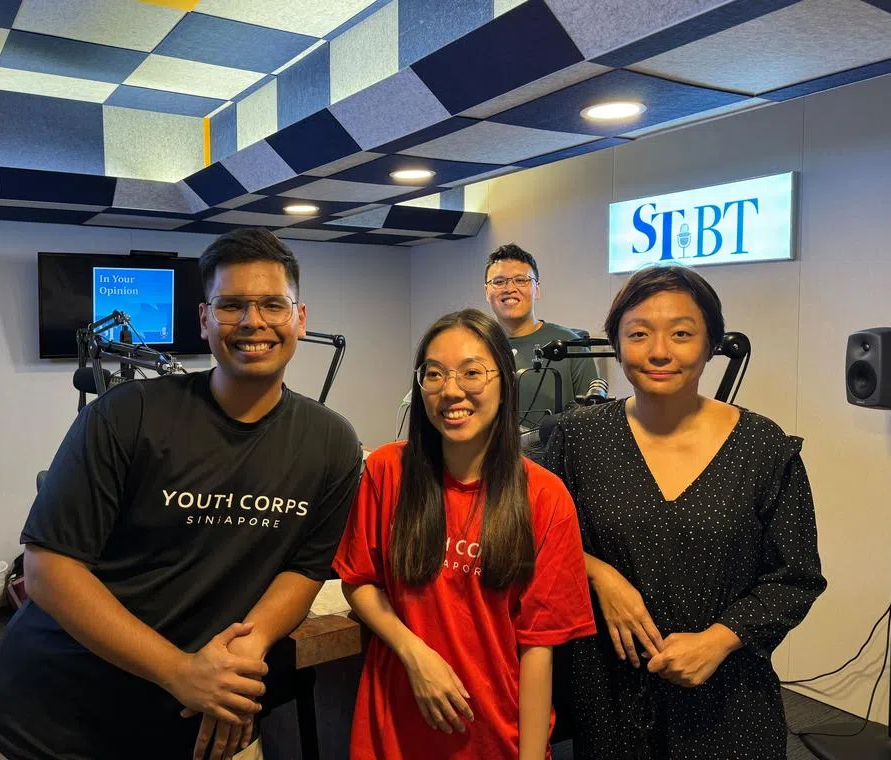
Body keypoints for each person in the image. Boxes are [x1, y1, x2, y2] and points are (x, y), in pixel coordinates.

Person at [0, 229, 362, 760]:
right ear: (204, 319)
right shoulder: (127, 415)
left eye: (273, 304)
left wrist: (244, 653)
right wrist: (181, 672)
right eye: (231, 305)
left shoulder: (330, 442)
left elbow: (304, 568)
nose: (253, 321)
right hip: (57, 724)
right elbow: (47, 570)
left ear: (299, 318)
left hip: (210, 725)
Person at [544, 265, 826, 760]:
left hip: (728, 699)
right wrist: (597, 573)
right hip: (611, 698)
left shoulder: (762, 446)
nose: (659, 351)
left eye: (681, 334)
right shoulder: (579, 438)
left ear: (711, 343)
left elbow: (795, 577)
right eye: (638, 334)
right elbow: (535, 535)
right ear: (617, 344)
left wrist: (719, 640)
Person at [334, 308, 597, 760]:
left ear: (505, 383)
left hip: (494, 735)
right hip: (392, 732)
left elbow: (538, 648)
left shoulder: (544, 496)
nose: (451, 390)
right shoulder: (387, 470)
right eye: (434, 374)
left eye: (472, 372)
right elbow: (359, 581)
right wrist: (414, 653)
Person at [483, 244, 601, 461]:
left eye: (521, 280)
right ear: (486, 291)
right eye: (499, 282)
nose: (509, 288)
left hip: (554, 471)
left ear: (537, 289)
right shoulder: (478, 345)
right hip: (488, 469)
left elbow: (591, 420)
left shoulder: (569, 345)